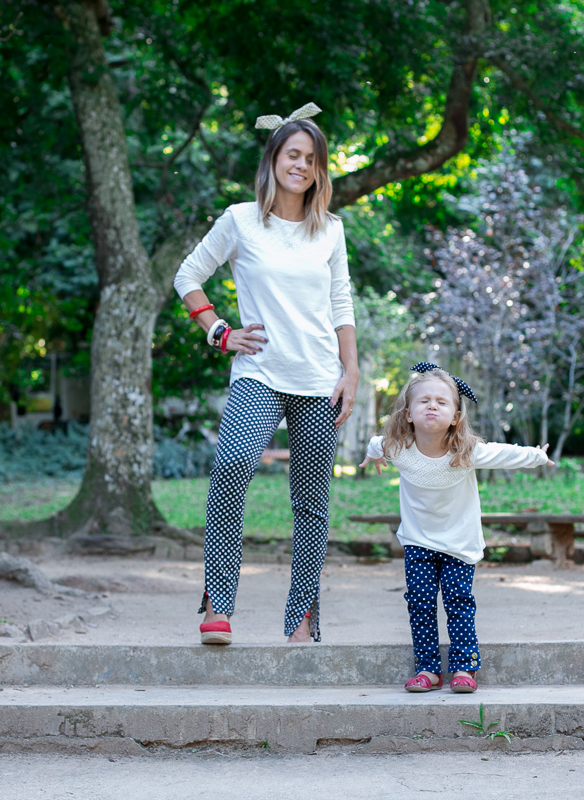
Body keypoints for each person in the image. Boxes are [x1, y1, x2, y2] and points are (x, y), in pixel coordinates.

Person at [173, 103, 358, 646]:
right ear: (274, 159)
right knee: (231, 465)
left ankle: (302, 617)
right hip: (258, 371)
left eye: (310, 158)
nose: (300, 165)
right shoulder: (240, 220)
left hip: (320, 378)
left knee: (312, 501)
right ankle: (217, 600)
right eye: (291, 154)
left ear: (320, 170)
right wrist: (219, 333)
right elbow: (189, 276)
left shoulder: (331, 230)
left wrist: (350, 372)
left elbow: (340, 302)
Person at [359, 363, 554, 692]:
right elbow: (375, 444)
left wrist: (535, 456)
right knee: (419, 603)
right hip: (418, 543)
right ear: (408, 414)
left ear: (455, 416)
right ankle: (428, 669)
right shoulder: (396, 448)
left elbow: (502, 454)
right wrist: (372, 456)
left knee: (458, 601)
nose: (432, 405)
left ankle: (464, 668)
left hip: (459, 545)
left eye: (441, 401)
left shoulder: (465, 451)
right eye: (423, 401)